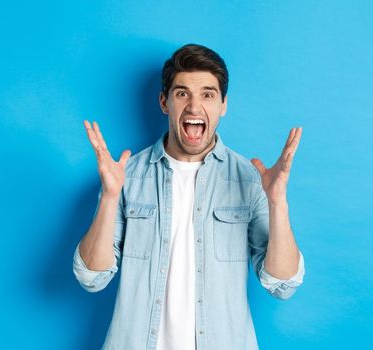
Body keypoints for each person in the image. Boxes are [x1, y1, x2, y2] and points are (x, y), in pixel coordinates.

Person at [72, 43, 305, 350]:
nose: (195, 106)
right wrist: (110, 197)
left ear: (223, 105)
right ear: (164, 102)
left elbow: (282, 285)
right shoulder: (126, 176)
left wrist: (277, 203)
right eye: (182, 93)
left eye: (208, 94)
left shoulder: (250, 179)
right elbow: (92, 278)